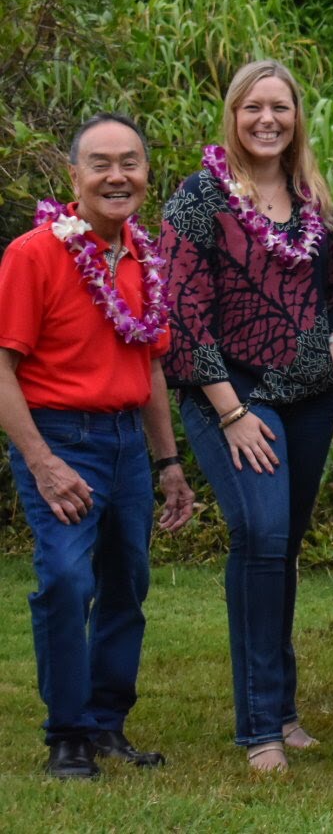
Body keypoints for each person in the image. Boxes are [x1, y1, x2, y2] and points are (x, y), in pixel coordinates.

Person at [160, 59, 333, 772]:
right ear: (232, 116)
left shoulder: (311, 200)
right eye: (253, 108)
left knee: (284, 548)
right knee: (261, 536)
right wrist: (233, 411)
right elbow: (182, 315)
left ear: (297, 117)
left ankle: (285, 708)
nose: (268, 120)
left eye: (281, 107)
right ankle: (259, 727)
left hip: (309, 401)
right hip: (231, 397)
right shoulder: (198, 200)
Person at [0, 114, 196, 778]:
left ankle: (107, 724)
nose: (117, 176)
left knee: (127, 584)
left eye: (131, 162)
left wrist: (168, 462)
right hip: (58, 436)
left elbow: (151, 369)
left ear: (147, 173)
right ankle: (68, 736)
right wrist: (43, 462)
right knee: (65, 579)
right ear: (74, 176)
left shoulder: (146, 258)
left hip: (124, 444)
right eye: (101, 163)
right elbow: (2, 369)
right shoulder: (34, 253)